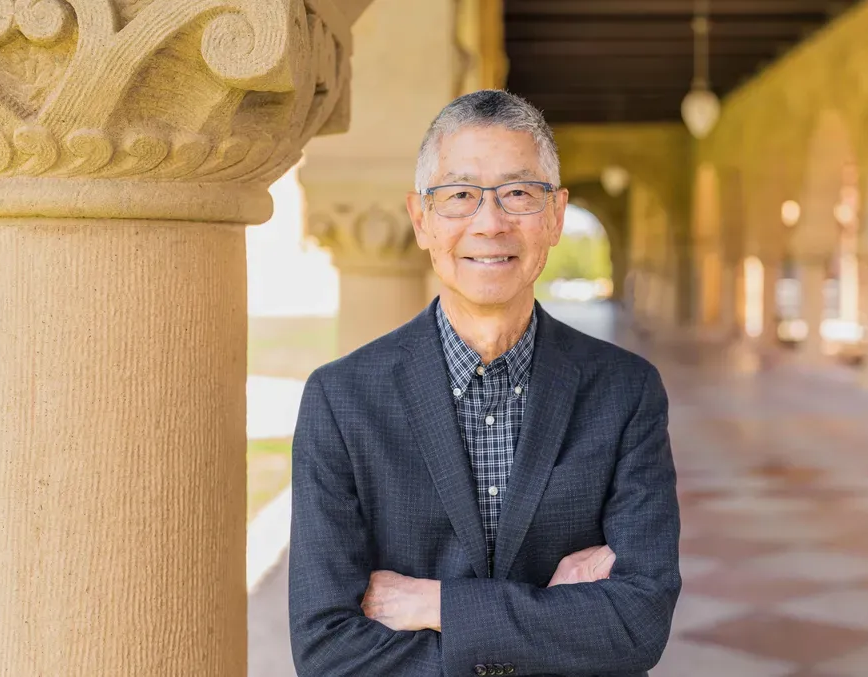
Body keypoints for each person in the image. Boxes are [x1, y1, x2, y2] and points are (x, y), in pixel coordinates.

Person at [288, 89, 681, 677]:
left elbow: (637, 623)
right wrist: (556, 620)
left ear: (554, 217)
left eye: (519, 194)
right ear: (421, 220)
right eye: (460, 196)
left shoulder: (626, 392)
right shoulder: (342, 400)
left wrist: (436, 604)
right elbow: (328, 651)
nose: (490, 223)